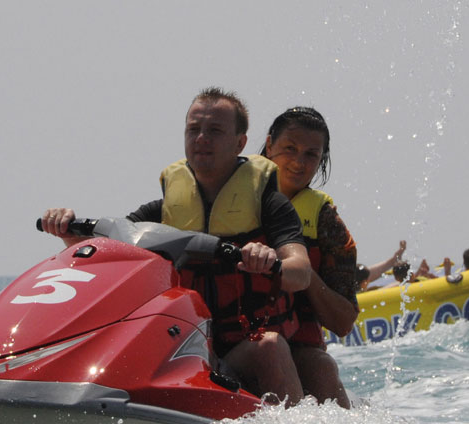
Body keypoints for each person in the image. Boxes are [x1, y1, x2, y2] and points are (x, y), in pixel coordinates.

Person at [41, 88, 312, 406]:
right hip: (182, 347)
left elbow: (301, 271)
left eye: (214, 131)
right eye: (194, 130)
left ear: (240, 142)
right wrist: (66, 232)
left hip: (243, 349)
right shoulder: (162, 210)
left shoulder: (272, 206)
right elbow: (108, 251)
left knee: (270, 346)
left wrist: (269, 259)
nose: (202, 138)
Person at [259, 106, 360, 408]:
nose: (298, 162)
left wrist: (301, 271)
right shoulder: (226, 197)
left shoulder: (326, 222)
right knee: (270, 349)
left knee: (321, 366)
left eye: (311, 155)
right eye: (289, 149)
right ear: (268, 145)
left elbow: (343, 322)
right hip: (233, 338)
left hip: (299, 348)